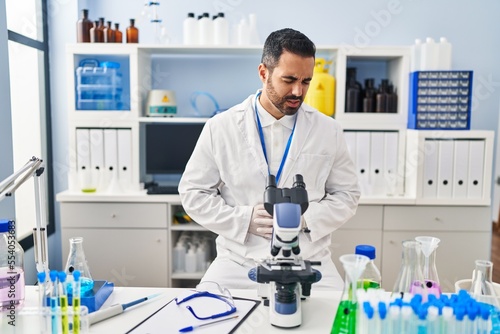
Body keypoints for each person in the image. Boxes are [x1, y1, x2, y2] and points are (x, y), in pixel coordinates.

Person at [178, 28, 360, 290]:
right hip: (239, 263)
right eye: (289, 79)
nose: (299, 91)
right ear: (264, 73)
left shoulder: (327, 130)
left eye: (306, 81)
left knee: (340, 325)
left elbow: (347, 195)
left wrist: (306, 218)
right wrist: (243, 220)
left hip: (310, 262)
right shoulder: (221, 127)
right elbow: (193, 193)